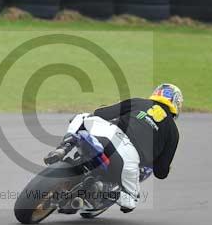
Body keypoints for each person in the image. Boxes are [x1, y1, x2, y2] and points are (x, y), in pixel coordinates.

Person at [45, 83, 182, 213]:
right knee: (130, 201)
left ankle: (64, 147)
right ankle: (100, 190)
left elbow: (101, 113)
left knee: (83, 117)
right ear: (176, 103)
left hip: (108, 134)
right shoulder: (173, 133)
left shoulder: (138, 102)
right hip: (129, 158)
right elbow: (161, 172)